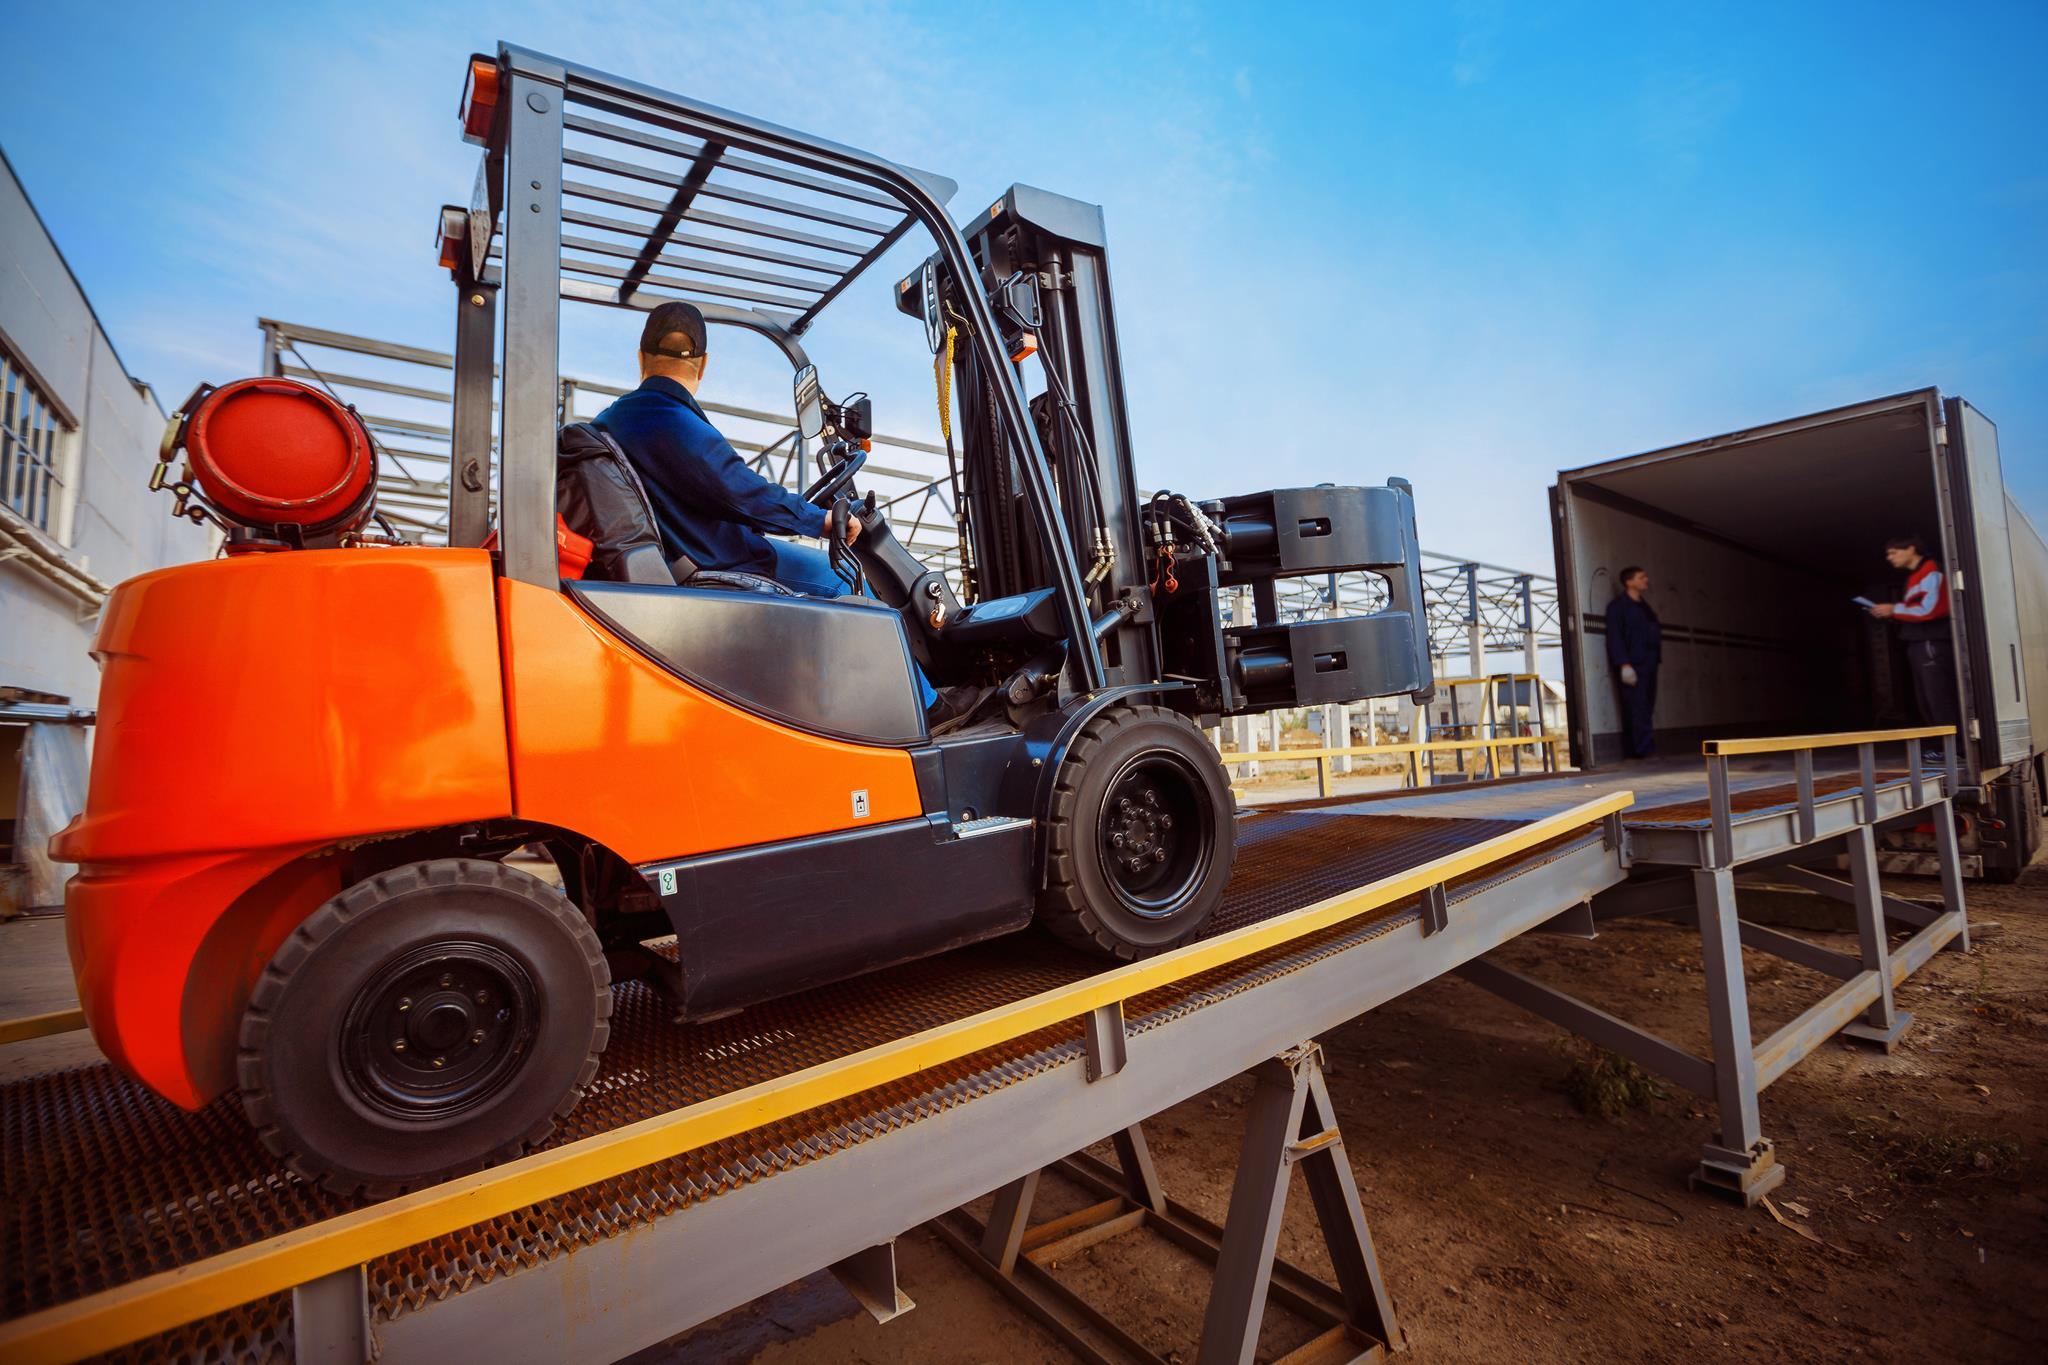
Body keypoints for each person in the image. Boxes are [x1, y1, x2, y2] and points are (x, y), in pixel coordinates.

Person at [597, 302, 964, 721]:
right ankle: (928, 709)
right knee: (845, 580)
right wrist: (820, 520)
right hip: (721, 561)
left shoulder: (618, 418)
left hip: (691, 553)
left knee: (827, 573)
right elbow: (742, 494)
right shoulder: (668, 421)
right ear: (703, 365)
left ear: (641, 356)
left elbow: (731, 493)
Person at [1868, 534, 1957, 754]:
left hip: (1931, 643)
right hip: (1919, 643)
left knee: (1939, 698)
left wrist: (1894, 609)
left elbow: (1933, 609)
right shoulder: (1915, 576)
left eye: (1893, 552)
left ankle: (1956, 750)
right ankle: (1943, 749)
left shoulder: (1930, 570)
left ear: (1911, 548)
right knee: (1926, 699)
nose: (1890, 558)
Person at [1604, 565, 1661, 760]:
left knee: (1647, 706)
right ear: (1629, 582)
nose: (1646, 580)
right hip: (1633, 664)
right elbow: (1615, 637)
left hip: (1649, 663)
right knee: (1636, 707)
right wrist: (1624, 664)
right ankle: (1641, 750)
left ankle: (1645, 747)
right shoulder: (1618, 607)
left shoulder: (1645, 607)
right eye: (1641, 577)